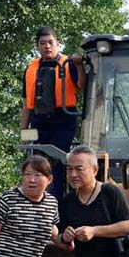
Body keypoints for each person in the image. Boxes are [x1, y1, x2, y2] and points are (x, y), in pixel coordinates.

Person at [21, 26, 84, 200]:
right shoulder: (30, 69)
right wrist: (24, 133)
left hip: (63, 120)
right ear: (37, 46)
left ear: (58, 43)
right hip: (39, 122)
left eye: (50, 42)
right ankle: (37, 201)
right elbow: (27, 104)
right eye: (42, 43)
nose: (47, 46)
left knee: (55, 164)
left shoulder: (68, 64)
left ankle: (55, 201)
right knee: (35, 163)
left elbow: (81, 84)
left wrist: (79, 65)